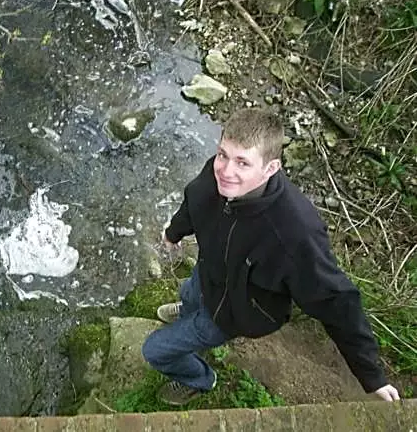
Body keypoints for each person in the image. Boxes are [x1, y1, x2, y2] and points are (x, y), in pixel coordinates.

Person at [142, 108, 400, 406]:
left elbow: (336, 301)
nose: (225, 170)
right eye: (223, 154)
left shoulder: (294, 232)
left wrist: (372, 377)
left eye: (243, 162)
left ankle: (200, 379)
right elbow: (194, 200)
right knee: (189, 292)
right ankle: (190, 309)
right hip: (210, 273)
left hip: (233, 312)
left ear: (270, 168)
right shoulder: (219, 175)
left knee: (155, 351)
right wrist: (174, 233)